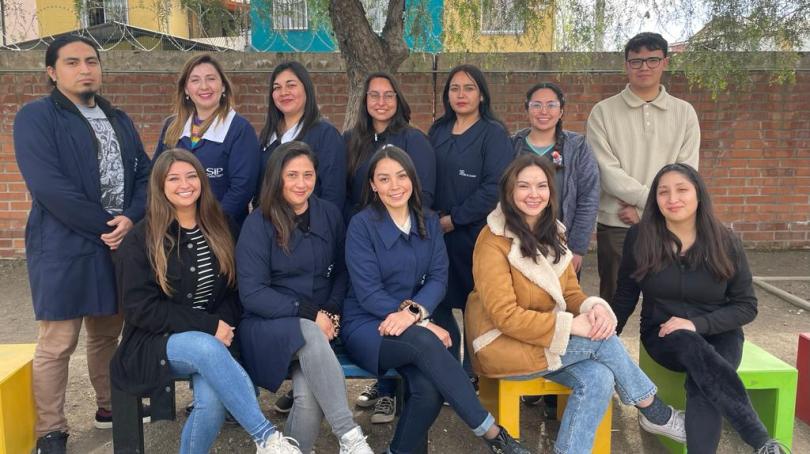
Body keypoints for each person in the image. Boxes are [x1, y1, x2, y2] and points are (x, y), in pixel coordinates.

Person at [465, 154, 687, 454]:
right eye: (524, 186)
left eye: (541, 186)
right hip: (501, 344)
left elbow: (570, 293)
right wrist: (571, 326)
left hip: (543, 344)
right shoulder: (492, 240)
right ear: (509, 191)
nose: (534, 194)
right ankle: (654, 411)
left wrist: (590, 308)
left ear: (550, 191)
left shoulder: (553, 232)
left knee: (601, 376)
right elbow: (505, 316)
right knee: (601, 342)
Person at [342, 146, 530, 454]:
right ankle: (494, 435)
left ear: (413, 180)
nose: (395, 186)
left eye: (401, 176)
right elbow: (368, 292)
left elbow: (438, 279)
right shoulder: (362, 225)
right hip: (368, 325)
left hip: (412, 325)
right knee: (430, 341)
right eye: (384, 179)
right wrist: (423, 323)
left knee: (428, 391)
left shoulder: (429, 221)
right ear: (373, 185)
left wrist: (415, 315)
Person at [111, 149, 301, 454]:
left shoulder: (221, 224)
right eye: (173, 178)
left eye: (191, 176)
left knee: (211, 401)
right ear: (160, 186)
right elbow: (140, 309)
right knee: (205, 346)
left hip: (215, 338)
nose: (184, 184)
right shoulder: (141, 238)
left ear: (202, 180)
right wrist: (209, 325)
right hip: (156, 340)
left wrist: (221, 323)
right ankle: (267, 438)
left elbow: (238, 289)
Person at [13, 35, 150, 454]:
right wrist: (108, 223)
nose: (85, 69)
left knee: (106, 334)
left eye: (91, 61)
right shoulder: (36, 117)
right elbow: (49, 187)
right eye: (72, 62)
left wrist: (132, 217)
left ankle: (109, 407)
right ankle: (51, 430)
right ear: (52, 72)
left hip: (116, 243)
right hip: (63, 245)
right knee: (57, 343)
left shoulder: (119, 119)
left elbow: (145, 174)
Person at [612, 163, 789, 454]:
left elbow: (746, 306)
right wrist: (606, 335)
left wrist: (697, 324)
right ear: (655, 200)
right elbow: (626, 295)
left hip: (720, 332)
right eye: (663, 192)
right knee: (689, 344)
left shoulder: (725, 241)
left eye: (682, 190)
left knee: (703, 380)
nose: (673, 199)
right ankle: (760, 440)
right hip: (664, 334)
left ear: (698, 195)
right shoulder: (640, 237)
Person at [236, 142, 373, 454]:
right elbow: (253, 294)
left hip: (321, 326)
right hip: (267, 325)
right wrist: (313, 315)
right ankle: (349, 434)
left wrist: (333, 311)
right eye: (292, 175)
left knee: (309, 397)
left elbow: (342, 270)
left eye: (307, 175)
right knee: (309, 332)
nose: (301, 183)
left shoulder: (329, 214)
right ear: (277, 178)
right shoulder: (258, 223)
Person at [342, 71, 437, 423]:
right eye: (373, 95)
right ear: (364, 101)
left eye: (388, 95)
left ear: (399, 99)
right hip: (364, 237)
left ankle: (389, 392)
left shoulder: (414, 140)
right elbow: (344, 192)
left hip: (403, 238)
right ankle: (381, 384)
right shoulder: (352, 140)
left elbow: (425, 195)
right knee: (372, 312)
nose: (380, 102)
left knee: (402, 310)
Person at [586, 31, 700, 303]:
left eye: (652, 60)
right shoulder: (602, 112)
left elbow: (685, 173)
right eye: (636, 61)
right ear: (626, 65)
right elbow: (605, 169)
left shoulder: (685, 113)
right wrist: (649, 204)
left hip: (669, 224)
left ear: (665, 63)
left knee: (669, 301)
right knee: (613, 303)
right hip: (617, 223)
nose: (644, 67)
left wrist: (645, 210)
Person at [428, 64, 513, 379]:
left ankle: (473, 372)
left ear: (481, 94)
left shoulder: (493, 133)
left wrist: (455, 218)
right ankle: (449, 366)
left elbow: (495, 188)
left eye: (468, 88)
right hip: (436, 233)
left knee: (474, 305)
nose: (461, 95)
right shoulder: (437, 130)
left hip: (476, 234)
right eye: (454, 88)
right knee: (436, 301)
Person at [154, 54, 260, 227]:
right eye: (195, 80)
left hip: (221, 229)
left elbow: (242, 189)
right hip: (174, 227)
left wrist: (206, 225)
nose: (204, 86)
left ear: (223, 86)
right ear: (186, 89)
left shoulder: (240, 129)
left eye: (211, 79)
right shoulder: (171, 126)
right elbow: (156, 178)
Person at [512, 82, 599, 277]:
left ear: (561, 111)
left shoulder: (577, 147)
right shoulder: (512, 146)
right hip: (519, 243)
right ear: (527, 109)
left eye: (551, 105)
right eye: (536, 105)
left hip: (562, 246)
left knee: (563, 302)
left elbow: (589, 198)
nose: (544, 111)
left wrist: (576, 249)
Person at [256, 61, 346, 210]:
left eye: (291, 85)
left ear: (306, 88)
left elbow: (333, 194)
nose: (283, 92)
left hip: (310, 228)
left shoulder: (326, 135)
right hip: (268, 225)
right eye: (277, 88)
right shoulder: (267, 136)